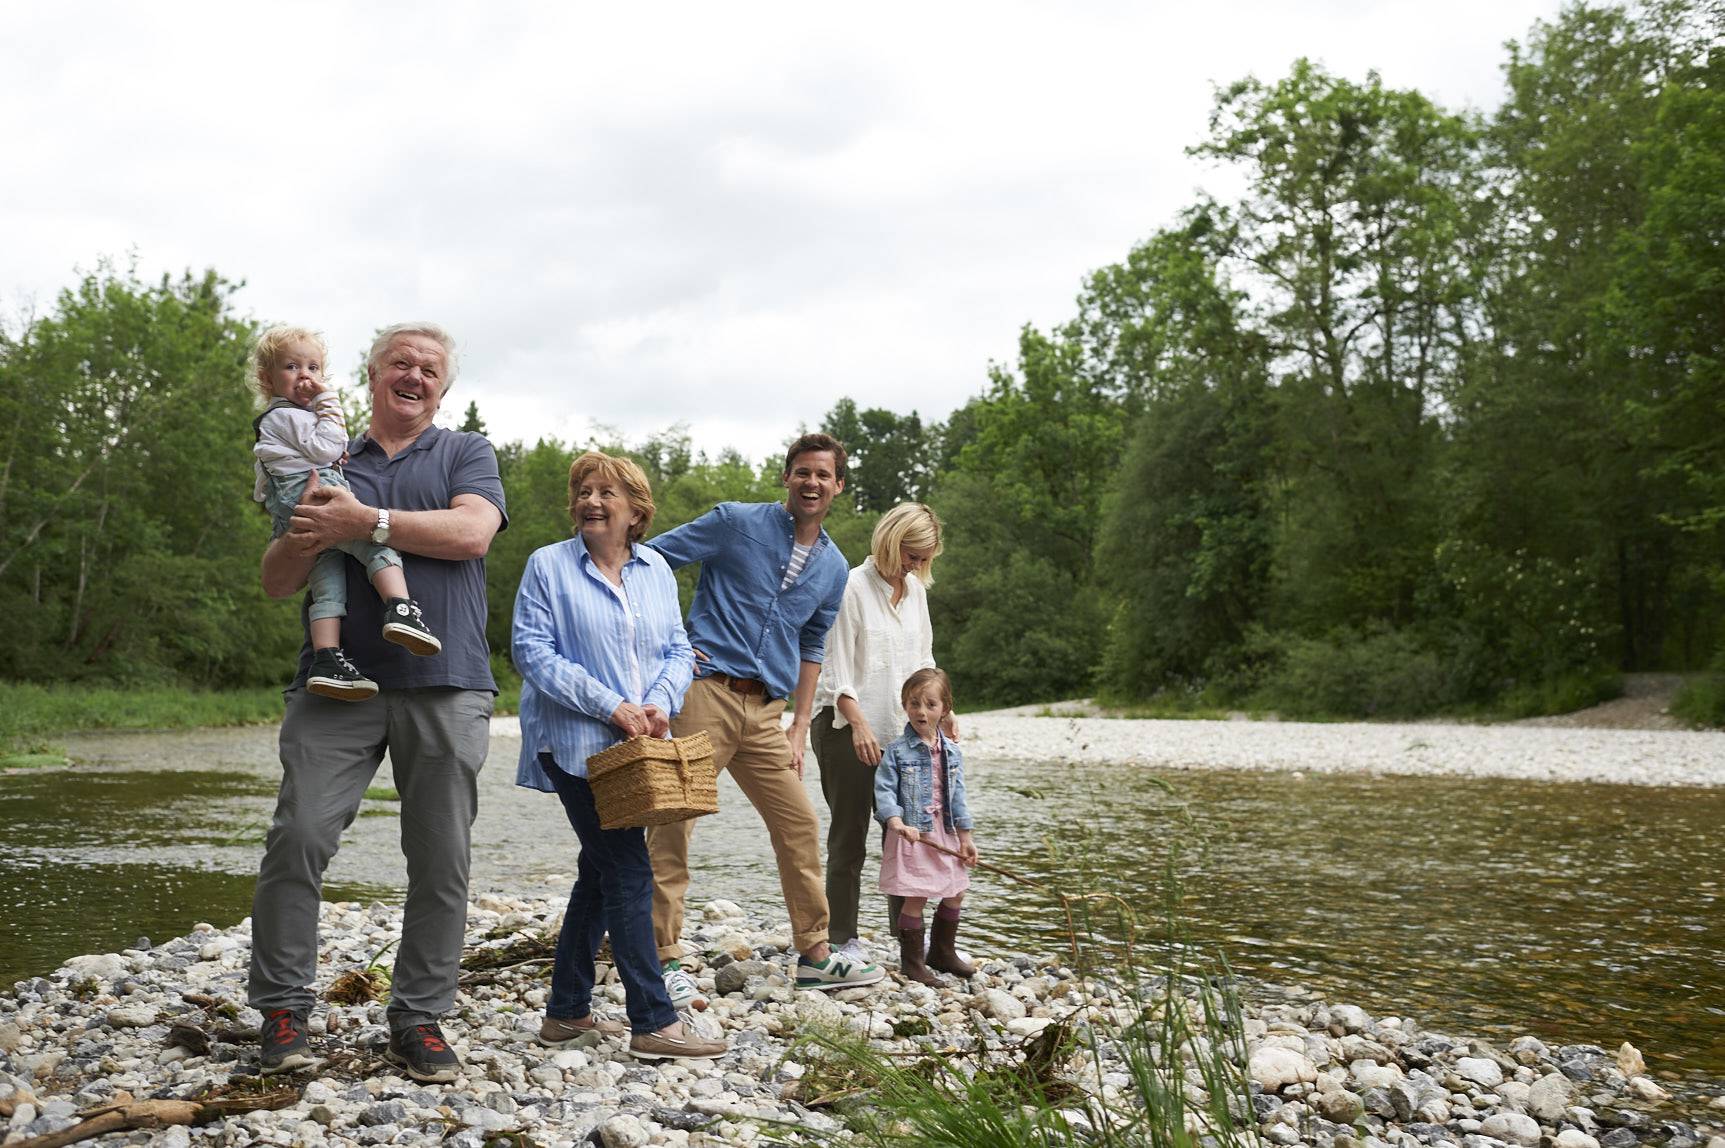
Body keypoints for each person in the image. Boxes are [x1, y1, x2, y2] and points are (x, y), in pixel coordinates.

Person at [248, 323, 507, 1083]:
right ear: (369, 374)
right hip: (337, 684)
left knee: (440, 860)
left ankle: (419, 1016)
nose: (415, 375)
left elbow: (471, 535)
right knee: (298, 834)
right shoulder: (323, 450)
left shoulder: (466, 452)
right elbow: (273, 581)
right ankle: (283, 1007)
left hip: (446, 682)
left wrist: (365, 523)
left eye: (429, 369)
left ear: (443, 387)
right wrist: (308, 531)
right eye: (401, 362)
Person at [646, 433, 885, 1000]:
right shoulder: (735, 523)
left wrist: (800, 725)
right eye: (803, 472)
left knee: (799, 823)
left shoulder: (833, 568)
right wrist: (672, 644)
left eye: (823, 475)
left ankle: (816, 953)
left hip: (766, 712)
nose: (812, 483)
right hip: (705, 691)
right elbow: (651, 559)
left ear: (839, 486)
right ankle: (663, 958)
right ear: (787, 477)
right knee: (675, 821)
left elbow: (811, 646)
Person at [512, 451, 727, 1061]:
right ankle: (654, 1022)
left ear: (636, 510)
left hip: (638, 747)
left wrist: (658, 702)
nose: (591, 501)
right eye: (583, 490)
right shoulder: (547, 566)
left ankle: (566, 1013)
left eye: (606, 492)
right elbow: (533, 652)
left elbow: (678, 648)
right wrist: (613, 706)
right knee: (630, 870)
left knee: (600, 873)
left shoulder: (657, 568)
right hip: (574, 744)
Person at [249, 326, 441, 701]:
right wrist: (328, 401)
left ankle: (327, 658)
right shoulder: (288, 415)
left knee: (328, 581)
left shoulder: (279, 421)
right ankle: (400, 607)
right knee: (375, 544)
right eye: (291, 366)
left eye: (314, 368)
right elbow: (329, 444)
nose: (305, 376)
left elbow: (269, 474)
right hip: (316, 494)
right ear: (267, 378)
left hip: (293, 498)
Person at [811, 503, 954, 963]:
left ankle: (908, 938)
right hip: (844, 726)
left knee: (907, 835)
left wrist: (944, 712)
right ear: (891, 542)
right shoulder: (850, 587)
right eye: (911, 555)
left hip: (903, 733)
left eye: (923, 559)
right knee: (849, 835)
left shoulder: (916, 593)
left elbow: (925, 661)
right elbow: (834, 673)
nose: (915, 567)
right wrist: (858, 724)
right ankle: (841, 939)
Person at [874, 667, 977, 985]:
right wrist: (896, 822)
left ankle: (942, 953)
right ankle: (913, 962)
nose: (921, 711)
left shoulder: (952, 751)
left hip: (943, 831)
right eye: (914, 703)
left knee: (956, 890)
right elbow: (884, 791)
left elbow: (957, 796)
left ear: (944, 709)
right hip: (914, 834)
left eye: (930, 704)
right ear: (905, 705)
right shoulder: (896, 751)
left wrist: (965, 837)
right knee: (917, 895)